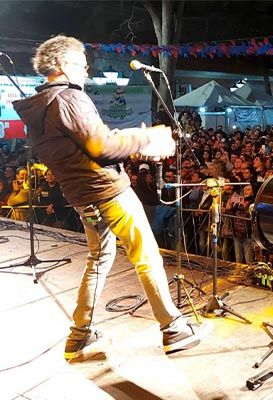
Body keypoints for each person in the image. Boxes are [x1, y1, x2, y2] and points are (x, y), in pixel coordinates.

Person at [13, 35, 200, 360]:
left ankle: (80, 334)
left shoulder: (38, 108)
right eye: (81, 64)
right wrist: (146, 137)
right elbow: (101, 147)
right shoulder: (69, 99)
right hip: (108, 192)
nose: (85, 71)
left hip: (81, 195)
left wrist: (131, 140)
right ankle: (173, 328)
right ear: (64, 64)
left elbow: (86, 147)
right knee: (146, 255)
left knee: (99, 258)